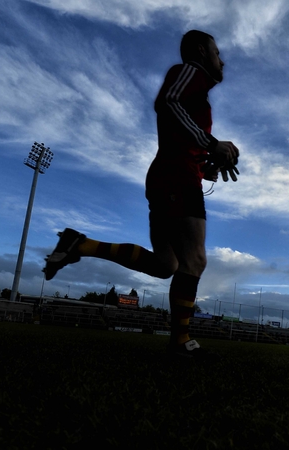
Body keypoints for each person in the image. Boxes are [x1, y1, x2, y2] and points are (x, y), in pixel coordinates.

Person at [42, 30, 240, 358]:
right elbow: (167, 102)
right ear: (201, 52)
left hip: (171, 176)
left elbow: (182, 138)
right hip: (176, 177)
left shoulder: (200, 97)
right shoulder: (190, 72)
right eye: (217, 52)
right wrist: (211, 143)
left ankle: (81, 244)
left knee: (166, 265)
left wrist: (208, 166)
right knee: (195, 260)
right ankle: (180, 341)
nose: (222, 59)